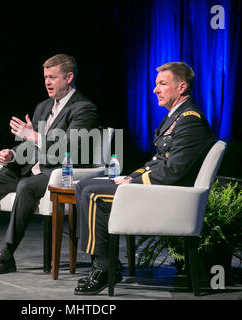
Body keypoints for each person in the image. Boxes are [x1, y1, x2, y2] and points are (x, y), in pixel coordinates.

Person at [73, 62, 216, 295]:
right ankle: (103, 262)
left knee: (92, 194)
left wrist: (134, 184)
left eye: (162, 84)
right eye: (156, 83)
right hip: (159, 189)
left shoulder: (190, 119)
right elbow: (158, 161)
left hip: (170, 197)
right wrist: (131, 177)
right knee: (83, 186)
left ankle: (104, 267)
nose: (155, 89)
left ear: (181, 87)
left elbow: (173, 171)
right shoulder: (176, 116)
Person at [0, 54, 99, 274]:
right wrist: (13, 155)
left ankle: (6, 255)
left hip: (58, 173)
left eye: (52, 77)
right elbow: (31, 147)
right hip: (30, 169)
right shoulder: (43, 107)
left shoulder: (83, 108)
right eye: (45, 77)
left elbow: (70, 148)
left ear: (69, 77)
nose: (47, 82)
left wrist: (32, 135)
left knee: (25, 186)